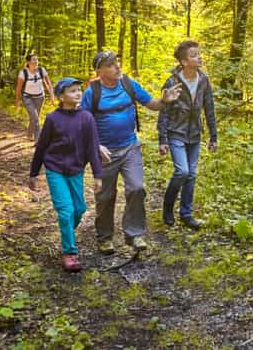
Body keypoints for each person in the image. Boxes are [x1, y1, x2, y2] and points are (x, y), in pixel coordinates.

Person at [81, 50, 182, 254]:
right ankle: (105, 238)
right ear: (100, 70)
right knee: (105, 196)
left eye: (117, 62)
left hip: (130, 147)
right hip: (105, 152)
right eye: (111, 64)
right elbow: (83, 123)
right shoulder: (92, 92)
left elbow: (151, 104)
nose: (117, 66)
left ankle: (134, 234)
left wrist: (165, 101)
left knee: (136, 188)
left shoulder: (128, 83)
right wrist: (95, 146)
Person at [28, 77, 106, 273]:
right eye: (72, 91)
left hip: (76, 170)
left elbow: (92, 148)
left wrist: (98, 175)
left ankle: (66, 233)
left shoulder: (87, 118)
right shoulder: (53, 118)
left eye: (79, 89)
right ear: (61, 96)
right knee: (66, 210)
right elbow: (42, 146)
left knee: (79, 209)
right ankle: (69, 252)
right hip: (55, 170)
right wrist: (34, 173)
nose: (78, 93)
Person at [157, 40, 217, 230]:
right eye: (194, 55)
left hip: (195, 134)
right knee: (182, 171)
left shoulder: (204, 80)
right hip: (176, 132)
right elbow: (164, 111)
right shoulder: (173, 82)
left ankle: (186, 214)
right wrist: (162, 139)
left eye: (199, 54)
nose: (199, 57)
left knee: (191, 175)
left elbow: (209, 108)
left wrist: (213, 136)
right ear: (183, 61)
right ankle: (168, 207)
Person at [14, 53, 55, 141]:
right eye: (33, 60)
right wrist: (17, 101)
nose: (36, 61)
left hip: (40, 97)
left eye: (37, 59)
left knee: (34, 117)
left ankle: (29, 134)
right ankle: (38, 139)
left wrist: (52, 95)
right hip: (27, 97)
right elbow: (18, 88)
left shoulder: (41, 70)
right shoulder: (23, 73)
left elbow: (48, 83)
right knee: (35, 117)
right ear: (28, 62)